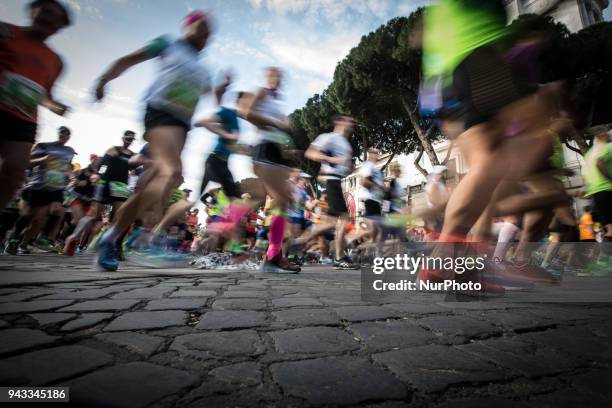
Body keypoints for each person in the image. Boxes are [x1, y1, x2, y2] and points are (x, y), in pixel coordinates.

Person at [92, 10, 221, 271]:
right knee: (172, 172)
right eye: (201, 27)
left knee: (155, 185)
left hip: (182, 128)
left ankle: (110, 238)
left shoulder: (204, 69)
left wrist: (222, 90)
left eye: (209, 33)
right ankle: (143, 240)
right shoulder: (169, 44)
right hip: (159, 115)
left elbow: (211, 95)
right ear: (189, 25)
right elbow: (130, 59)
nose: (205, 34)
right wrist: (105, 79)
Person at [0, 0, 72, 211]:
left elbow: (45, 94)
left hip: (23, 119)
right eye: (46, 12)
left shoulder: (56, 61)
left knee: (15, 170)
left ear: (59, 27)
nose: (50, 19)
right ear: (33, 11)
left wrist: (54, 105)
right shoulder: (7, 32)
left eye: (57, 19)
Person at [239, 67, 300, 273]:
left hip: (276, 152)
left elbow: (278, 129)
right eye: (274, 76)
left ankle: (273, 254)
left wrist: (288, 148)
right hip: (263, 149)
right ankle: (272, 255)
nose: (277, 80)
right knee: (280, 200)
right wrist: (276, 122)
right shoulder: (261, 91)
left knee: (284, 201)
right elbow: (246, 112)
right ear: (267, 77)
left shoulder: (275, 102)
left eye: (280, 77)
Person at [63, 131, 136, 256]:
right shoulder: (114, 150)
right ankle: (73, 238)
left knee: (119, 216)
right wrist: (98, 174)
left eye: (131, 139)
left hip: (120, 187)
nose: (128, 140)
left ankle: (111, 245)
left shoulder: (134, 155)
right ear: (123, 138)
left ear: (133, 140)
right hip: (106, 183)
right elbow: (104, 164)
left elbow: (138, 168)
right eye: (127, 138)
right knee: (94, 216)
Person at [6, 126, 75, 254]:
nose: (64, 136)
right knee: (31, 217)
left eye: (67, 134)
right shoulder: (43, 146)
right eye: (62, 133)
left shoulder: (70, 151)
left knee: (54, 212)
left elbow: (67, 167)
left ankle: (41, 239)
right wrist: (43, 159)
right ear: (58, 134)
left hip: (55, 188)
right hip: (37, 186)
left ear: (69, 137)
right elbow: (27, 162)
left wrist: (71, 176)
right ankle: (16, 239)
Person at [301, 115, 357, 269]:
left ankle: (299, 240)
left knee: (332, 222)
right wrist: (330, 160)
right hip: (332, 180)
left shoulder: (345, 143)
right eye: (348, 119)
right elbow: (310, 153)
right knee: (344, 219)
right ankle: (340, 257)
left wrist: (351, 168)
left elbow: (345, 167)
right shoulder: (329, 137)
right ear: (339, 122)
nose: (351, 122)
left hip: (338, 181)